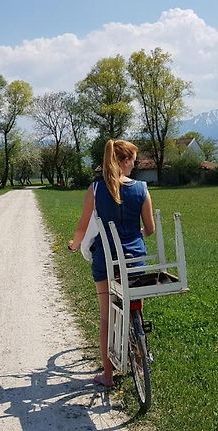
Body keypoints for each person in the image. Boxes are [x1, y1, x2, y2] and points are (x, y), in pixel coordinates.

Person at [68, 139, 155, 387]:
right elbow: (150, 229)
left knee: (106, 317)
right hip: (135, 261)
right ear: (124, 161)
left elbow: (82, 228)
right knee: (134, 306)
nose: (133, 167)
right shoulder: (142, 189)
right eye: (132, 162)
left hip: (106, 262)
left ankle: (107, 375)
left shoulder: (95, 190)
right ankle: (139, 351)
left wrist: (73, 246)